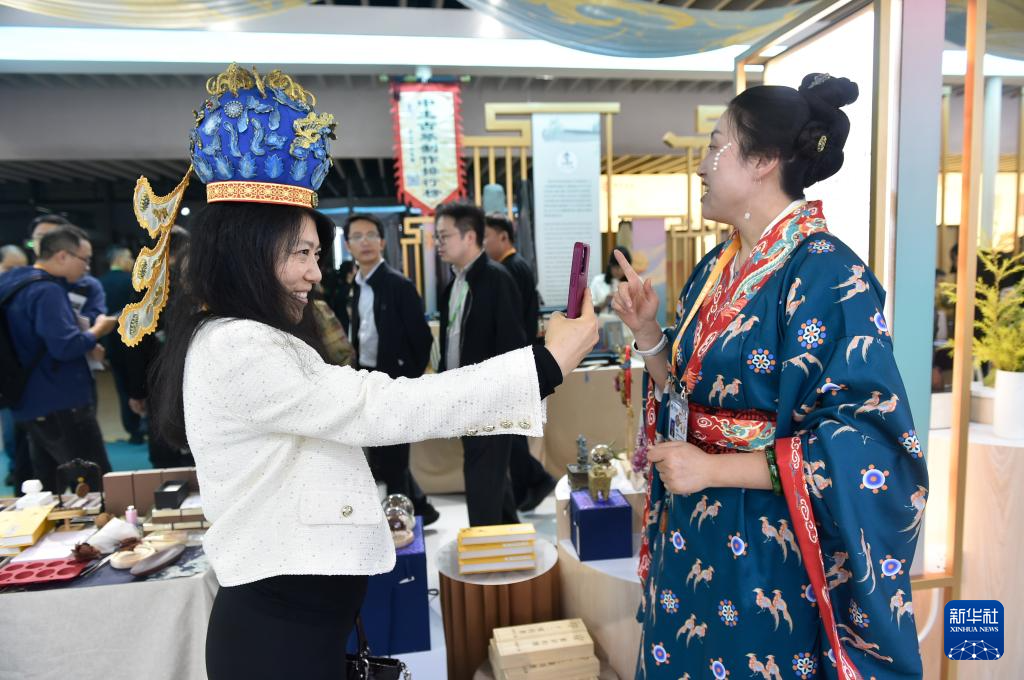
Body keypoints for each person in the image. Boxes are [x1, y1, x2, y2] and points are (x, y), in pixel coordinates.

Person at [127, 65, 595, 679]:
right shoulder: (238, 346)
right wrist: (543, 364)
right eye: (301, 253)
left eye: (316, 254)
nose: (315, 272)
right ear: (247, 255)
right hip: (275, 639)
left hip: (297, 626)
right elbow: (380, 406)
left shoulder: (248, 337)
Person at [613, 74, 927, 678]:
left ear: (762, 161)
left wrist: (714, 469)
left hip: (768, 540)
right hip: (693, 522)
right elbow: (688, 394)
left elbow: (869, 441)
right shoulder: (717, 264)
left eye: (714, 147)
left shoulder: (830, 275)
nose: (700, 166)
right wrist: (649, 333)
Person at [437, 201, 535, 526]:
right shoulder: (454, 283)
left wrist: (496, 395)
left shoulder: (497, 279)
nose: (439, 243)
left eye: (445, 236)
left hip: (490, 401)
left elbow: (512, 344)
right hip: (462, 396)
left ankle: (485, 550)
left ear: (469, 237)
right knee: (491, 479)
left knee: (481, 483)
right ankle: (507, 538)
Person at [0, 226, 118, 488]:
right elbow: (65, 346)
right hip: (61, 401)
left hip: (27, 400)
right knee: (95, 484)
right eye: (84, 259)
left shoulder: (12, 281)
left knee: (46, 486)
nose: (87, 267)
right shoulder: (47, 291)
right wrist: (98, 331)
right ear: (62, 256)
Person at [345, 213, 439, 525]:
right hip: (367, 380)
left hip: (394, 382)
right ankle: (419, 508)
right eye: (357, 237)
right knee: (383, 454)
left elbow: (422, 339)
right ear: (348, 246)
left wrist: (406, 379)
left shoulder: (399, 285)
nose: (365, 242)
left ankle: (402, 526)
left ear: (383, 242)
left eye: (371, 235)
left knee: (394, 456)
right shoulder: (356, 286)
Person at [484, 212, 557, 512]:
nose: (483, 243)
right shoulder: (515, 266)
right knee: (509, 429)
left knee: (509, 430)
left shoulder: (511, 269)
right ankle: (529, 484)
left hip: (515, 359)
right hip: (519, 357)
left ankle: (535, 480)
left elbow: (510, 321)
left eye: (486, 237)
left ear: (503, 237)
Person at [123, 226, 195, 469]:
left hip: (159, 380)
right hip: (194, 377)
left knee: (165, 450)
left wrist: (136, 390)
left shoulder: (145, 287)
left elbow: (135, 344)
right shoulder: (198, 286)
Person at [99, 246, 144, 443]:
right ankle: (147, 423)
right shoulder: (133, 281)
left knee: (122, 387)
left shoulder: (100, 282)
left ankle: (133, 430)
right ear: (120, 259)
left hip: (111, 343)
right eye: (129, 256)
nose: (132, 260)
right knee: (141, 382)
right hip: (136, 341)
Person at [30, 214, 107, 323]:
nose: (44, 242)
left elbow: (96, 318)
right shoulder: (24, 282)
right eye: (39, 237)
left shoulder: (88, 285)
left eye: (50, 236)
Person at [591, 245, 631, 313]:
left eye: (622, 267)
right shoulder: (598, 280)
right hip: (601, 319)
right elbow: (589, 309)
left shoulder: (633, 283)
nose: (619, 271)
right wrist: (605, 302)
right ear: (610, 265)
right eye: (616, 266)